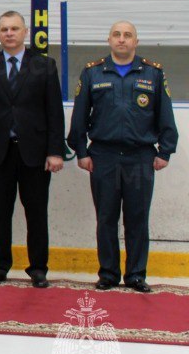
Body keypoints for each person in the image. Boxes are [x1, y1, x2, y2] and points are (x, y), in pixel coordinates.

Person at [68, 21, 177, 293]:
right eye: (117, 34)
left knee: (137, 219)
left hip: (139, 157)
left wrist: (165, 150)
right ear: (109, 40)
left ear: (135, 42)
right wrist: (81, 151)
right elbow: (79, 116)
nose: (122, 39)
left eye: (128, 35)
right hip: (103, 156)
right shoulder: (93, 72)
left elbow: (165, 114)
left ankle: (136, 275)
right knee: (106, 218)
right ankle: (108, 274)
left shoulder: (153, 73)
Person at [0, 11, 65, 288]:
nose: (9, 33)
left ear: (25, 32)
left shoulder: (44, 66)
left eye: (14, 28)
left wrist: (55, 151)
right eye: (4, 29)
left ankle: (38, 269)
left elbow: (54, 112)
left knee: (36, 213)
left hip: (35, 153)